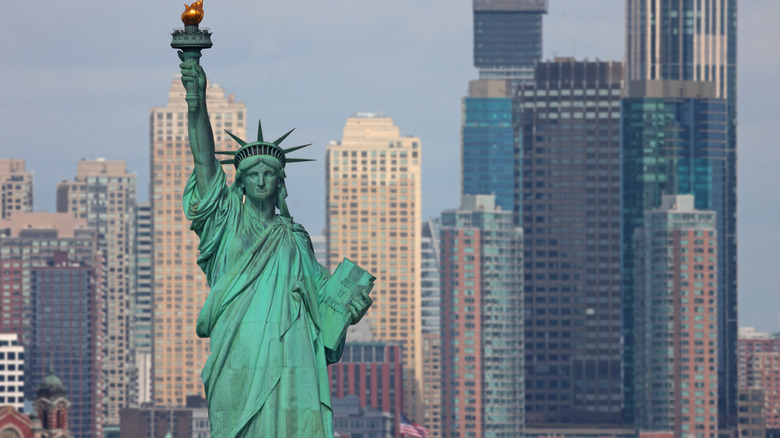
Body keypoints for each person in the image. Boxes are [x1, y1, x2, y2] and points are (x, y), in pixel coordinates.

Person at [179, 56, 372, 437]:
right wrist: (196, 101)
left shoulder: (295, 238)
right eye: (254, 175)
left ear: (280, 183)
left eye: (270, 174)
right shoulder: (226, 220)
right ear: (241, 183)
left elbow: (322, 294)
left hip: (291, 353)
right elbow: (204, 161)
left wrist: (350, 307)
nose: (262, 181)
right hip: (240, 348)